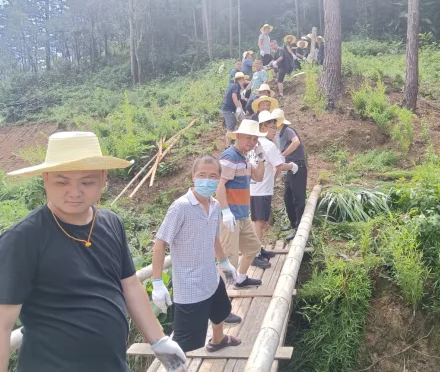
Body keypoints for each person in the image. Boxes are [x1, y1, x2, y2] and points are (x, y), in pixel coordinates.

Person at [0, 131, 186, 372]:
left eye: (86, 182)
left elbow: (130, 286)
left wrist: (159, 340)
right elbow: (3, 323)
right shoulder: (24, 238)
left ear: (103, 178)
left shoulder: (111, 223)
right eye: (62, 182)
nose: (74, 192)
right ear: (45, 179)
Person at [151, 154, 242, 354]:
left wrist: (225, 263)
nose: (207, 180)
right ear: (193, 176)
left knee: (221, 311)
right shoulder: (180, 207)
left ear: (219, 179)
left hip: (211, 276)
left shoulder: (215, 205)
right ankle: (178, 366)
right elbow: (160, 243)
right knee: (186, 342)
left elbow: (214, 238)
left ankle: (218, 340)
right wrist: (157, 282)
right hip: (190, 286)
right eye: (202, 175)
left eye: (213, 176)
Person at [217, 120, 271, 287]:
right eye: (248, 138)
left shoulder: (244, 158)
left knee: (253, 248)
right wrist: (225, 211)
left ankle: (240, 279)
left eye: (255, 139)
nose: (252, 142)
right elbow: (219, 185)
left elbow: (258, 177)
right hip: (230, 216)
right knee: (229, 258)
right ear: (238, 136)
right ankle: (222, 294)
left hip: (243, 215)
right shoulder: (230, 156)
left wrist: (261, 158)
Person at [250, 111, 298, 254]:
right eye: (272, 128)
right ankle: (255, 253)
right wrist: (292, 166)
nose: (275, 132)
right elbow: (280, 166)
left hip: (253, 188)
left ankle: (257, 249)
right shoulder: (268, 145)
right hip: (262, 189)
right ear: (263, 127)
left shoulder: (254, 143)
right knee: (259, 222)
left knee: (257, 221)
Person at [273, 109, 308, 241]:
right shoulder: (279, 134)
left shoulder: (288, 130)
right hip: (289, 167)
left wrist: (284, 154)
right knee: (287, 197)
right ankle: (293, 222)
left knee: (298, 199)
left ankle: (299, 228)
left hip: (297, 166)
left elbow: (296, 142)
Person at [221, 72, 249, 148]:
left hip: (229, 109)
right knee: (230, 127)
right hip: (228, 109)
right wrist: (238, 108)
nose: (244, 81)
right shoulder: (236, 86)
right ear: (241, 79)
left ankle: (235, 142)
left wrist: (241, 110)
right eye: (243, 79)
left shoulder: (236, 86)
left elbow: (238, 100)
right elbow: (234, 97)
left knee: (234, 125)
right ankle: (228, 145)